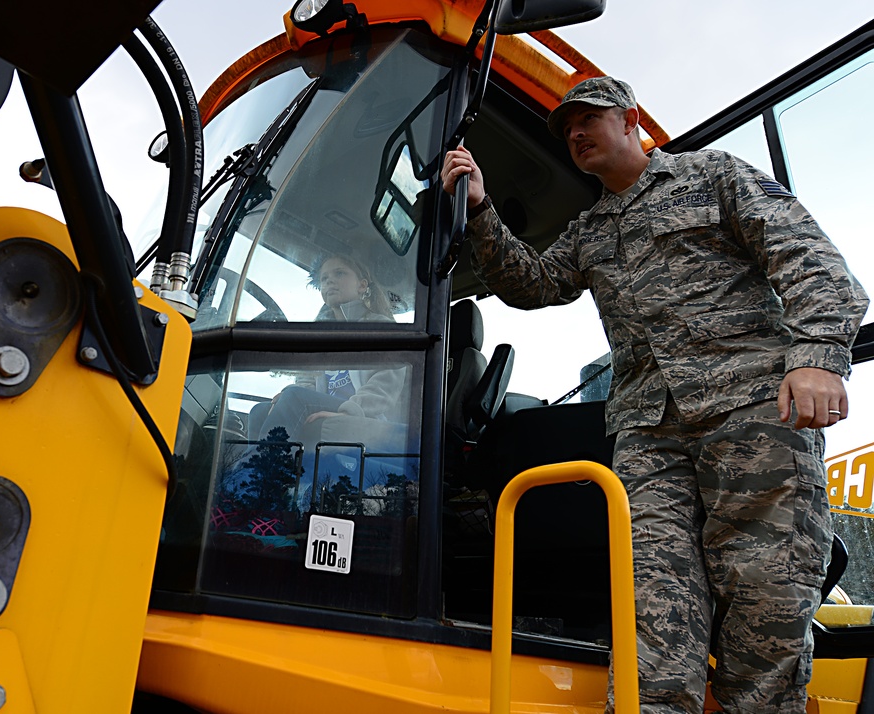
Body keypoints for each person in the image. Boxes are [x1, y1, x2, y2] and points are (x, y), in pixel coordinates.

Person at [440, 76, 868, 714]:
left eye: (588, 118)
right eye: (567, 129)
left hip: (751, 414)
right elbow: (531, 285)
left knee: (764, 591)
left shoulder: (711, 176)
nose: (576, 133)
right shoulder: (591, 229)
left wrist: (817, 360)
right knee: (651, 596)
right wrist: (478, 207)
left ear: (630, 119)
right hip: (650, 435)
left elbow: (808, 260)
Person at [251, 253, 405, 450]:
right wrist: (287, 396)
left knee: (294, 398)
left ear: (362, 285)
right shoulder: (321, 335)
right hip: (325, 405)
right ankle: (262, 474)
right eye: (324, 278)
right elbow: (307, 380)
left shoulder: (380, 326)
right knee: (260, 412)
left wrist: (349, 411)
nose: (330, 280)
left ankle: (259, 474)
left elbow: (385, 385)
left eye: (339, 273)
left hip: (365, 413)